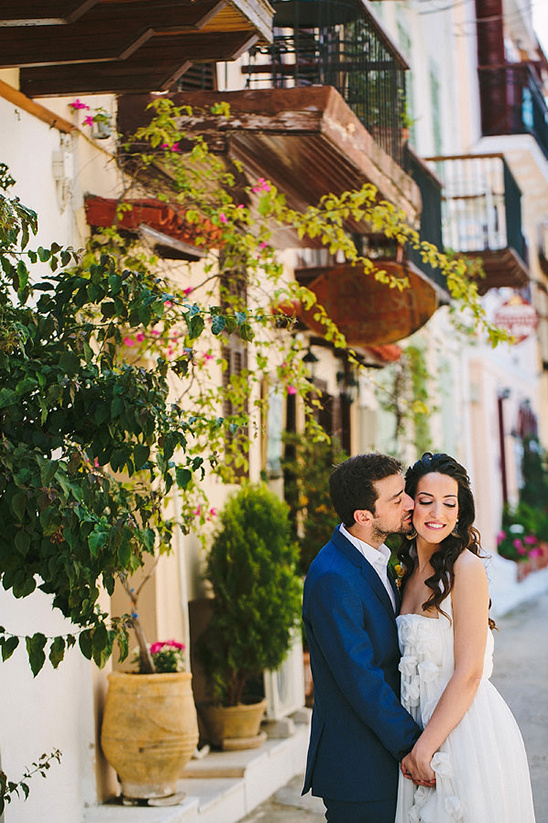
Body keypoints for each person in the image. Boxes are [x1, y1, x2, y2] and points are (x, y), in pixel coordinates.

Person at [395, 452, 536, 823]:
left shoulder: (466, 569)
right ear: (410, 505)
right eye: (426, 501)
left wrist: (425, 748)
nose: (436, 513)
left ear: (460, 512)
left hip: (462, 733)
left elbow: (471, 671)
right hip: (415, 729)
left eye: (449, 503)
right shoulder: (404, 569)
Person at [302, 453, 425, 823]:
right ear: (363, 517)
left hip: (383, 763)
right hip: (362, 770)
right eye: (396, 498)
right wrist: (415, 746)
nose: (410, 503)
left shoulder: (377, 556)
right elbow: (361, 679)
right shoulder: (333, 578)